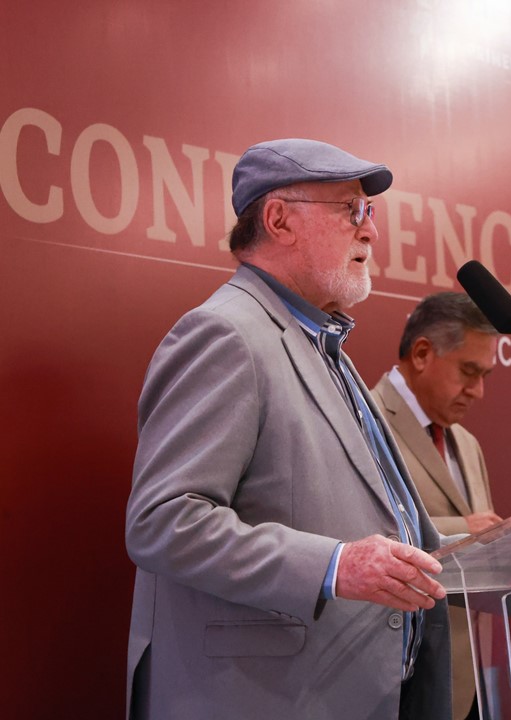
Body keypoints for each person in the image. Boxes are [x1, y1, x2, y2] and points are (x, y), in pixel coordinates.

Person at [124, 138, 451, 720]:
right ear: (279, 221)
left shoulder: (321, 343)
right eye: (352, 210)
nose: (371, 230)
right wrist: (334, 566)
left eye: (369, 211)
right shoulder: (226, 335)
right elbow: (164, 522)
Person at [371, 291, 504, 720]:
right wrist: (465, 527)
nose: (479, 391)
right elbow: (357, 534)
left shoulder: (467, 442)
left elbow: (477, 552)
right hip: (394, 681)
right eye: (469, 371)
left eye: (485, 375)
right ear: (423, 354)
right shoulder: (362, 422)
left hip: (466, 684)